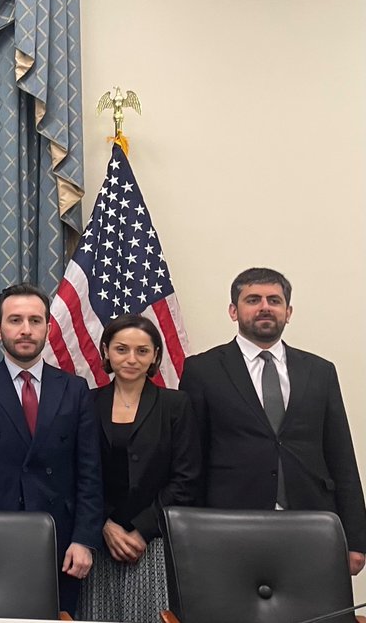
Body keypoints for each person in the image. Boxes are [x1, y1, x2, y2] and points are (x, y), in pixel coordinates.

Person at [181, 267, 366, 575]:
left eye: (274, 300)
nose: (265, 307)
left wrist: (357, 538)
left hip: (312, 522)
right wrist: (189, 532)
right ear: (233, 310)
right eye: (253, 299)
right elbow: (191, 457)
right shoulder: (203, 370)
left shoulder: (320, 371)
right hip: (229, 526)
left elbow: (341, 455)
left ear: (288, 312)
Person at [0, 282, 103, 616]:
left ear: (49, 328)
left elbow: (89, 472)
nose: (25, 330)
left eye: (35, 321)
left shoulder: (75, 389)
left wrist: (84, 539)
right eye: (15, 320)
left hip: (61, 542)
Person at [77, 314, 200, 623]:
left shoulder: (176, 405)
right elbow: (79, 472)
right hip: (100, 539)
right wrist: (105, 525)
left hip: (154, 542)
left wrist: (141, 531)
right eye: (121, 349)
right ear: (106, 352)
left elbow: (186, 479)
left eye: (142, 351)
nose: (131, 359)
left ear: (155, 355)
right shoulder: (86, 403)